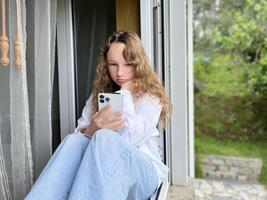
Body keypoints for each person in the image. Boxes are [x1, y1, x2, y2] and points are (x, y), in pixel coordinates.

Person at [25, 30, 172, 200]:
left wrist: (124, 93)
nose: (120, 73)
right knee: (75, 140)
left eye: (128, 64)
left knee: (105, 138)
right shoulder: (99, 96)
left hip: (144, 174)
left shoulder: (150, 98)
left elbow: (130, 139)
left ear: (138, 63)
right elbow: (79, 140)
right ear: (106, 65)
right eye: (113, 64)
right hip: (99, 171)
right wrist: (94, 127)